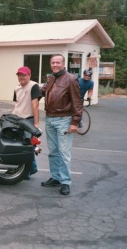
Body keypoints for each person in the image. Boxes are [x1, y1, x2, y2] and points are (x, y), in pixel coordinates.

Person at [40, 54, 83, 195]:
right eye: (53, 62)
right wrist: (28, 86)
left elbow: (77, 101)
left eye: (58, 62)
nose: (55, 65)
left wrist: (75, 122)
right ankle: (56, 177)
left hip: (64, 120)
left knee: (64, 152)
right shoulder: (51, 78)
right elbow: (43, 91)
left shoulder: (71, 79)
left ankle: (65, 182)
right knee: (53, 152)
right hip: (50, 119)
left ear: (63, 64)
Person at [12, 66, 42, 180]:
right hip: (18, 119)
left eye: (24, 75)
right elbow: (17, 104)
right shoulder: (16, 88)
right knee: (19, 145)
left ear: (29, 75)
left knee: (28, 145)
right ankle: (27, 169)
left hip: (28, 119)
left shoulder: (34, 86)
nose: (21, 77)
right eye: (19, 75)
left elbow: (35, 105)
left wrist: (36, 124)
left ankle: (30, 169)